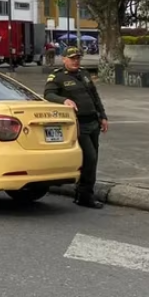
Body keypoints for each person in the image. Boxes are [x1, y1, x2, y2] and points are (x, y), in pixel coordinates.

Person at [44, 46, 109, 209]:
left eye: (78, 58)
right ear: (64, 59)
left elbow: (95, 96)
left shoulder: (84, 74)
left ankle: (83, 193)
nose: (75, 61)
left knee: (92, 159)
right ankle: (85, 194)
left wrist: (103, 116)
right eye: (72, 58)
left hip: (93, 121)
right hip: (78, 124)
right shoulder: (57, 77)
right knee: (90, 157)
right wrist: (63, 101)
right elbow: (48, 95)